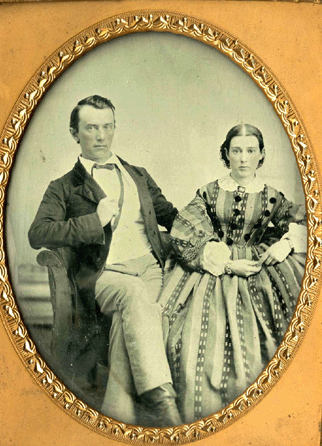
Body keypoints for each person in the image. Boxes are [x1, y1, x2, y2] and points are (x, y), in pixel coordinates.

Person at [28, 95, 181, 426]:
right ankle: (163, 402)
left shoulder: (138, 175)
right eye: (91, 128)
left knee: (136, 320)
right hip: (104, 275)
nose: (101, 135)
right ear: (75, 133)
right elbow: (38, 233)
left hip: (151, 269)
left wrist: (215, 231)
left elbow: (173, 216)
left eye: (107, 127)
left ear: (115, 128)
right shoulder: (64, 187)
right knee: (135, 297)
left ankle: (118, 417)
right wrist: (94, 221)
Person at [159, 123, 307, 423]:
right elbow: (184, 229)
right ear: (226, 154)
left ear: (261, 155)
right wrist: (224, 262)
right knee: (189, 337)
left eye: (250, 151)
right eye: (236, 151)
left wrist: (287, 243)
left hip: (257, 269)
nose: (243, 158)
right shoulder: (209, 192)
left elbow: (308, 221)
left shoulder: (272, 197)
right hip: (211, 270)